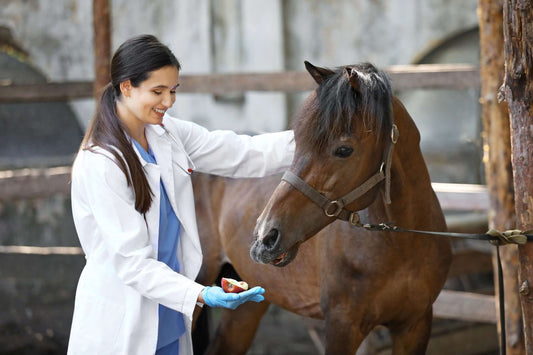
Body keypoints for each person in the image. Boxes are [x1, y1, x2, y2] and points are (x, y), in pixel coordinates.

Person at [67, 34, 294, 355]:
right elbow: (134, 266)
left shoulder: (167, 134)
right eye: (157, 92)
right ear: (126, 87)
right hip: (124, 319)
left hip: (171, 315)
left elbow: (241, 151)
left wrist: (315, 137)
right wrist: (202, 295)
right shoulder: (100, 163)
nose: (168, 102)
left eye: (173, 91)